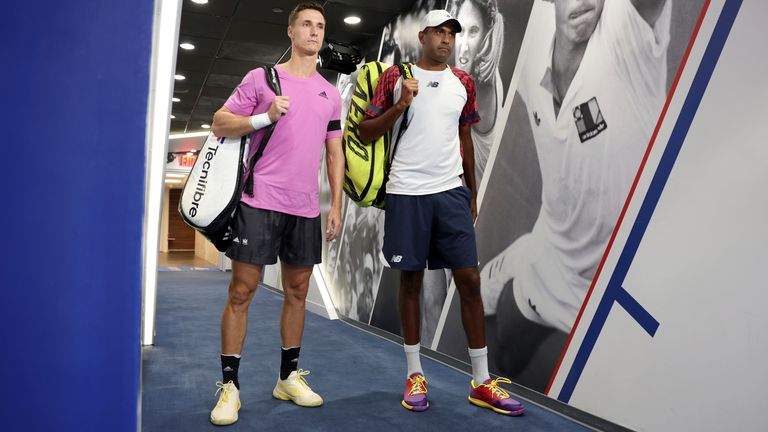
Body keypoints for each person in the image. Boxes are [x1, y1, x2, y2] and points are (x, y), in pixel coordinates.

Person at [480, 0, 671, 382]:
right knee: (496, 335)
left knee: (513, 351)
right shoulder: (535, 46)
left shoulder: (625, 32)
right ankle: (524, 256)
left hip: (606, 281)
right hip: (552, 244)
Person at [359, 9, 524, 416]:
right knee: (411, 281)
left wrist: (470, 189)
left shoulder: (463, 82)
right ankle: (415, 374)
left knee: (468, 278)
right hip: (407, 193)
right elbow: (366, 131)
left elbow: (465, 135)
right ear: (424, 35)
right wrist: (400, 106)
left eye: (452, 33)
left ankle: (482, 382)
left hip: (450, 193)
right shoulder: (394, 78)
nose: (448, 39)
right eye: (440, 32)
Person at [206, 2, 344, 425]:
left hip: (304, 208)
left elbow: (334, 150)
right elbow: (219, 122)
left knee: (298, 292)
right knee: (242, 292)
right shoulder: (261, 79)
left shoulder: (330, 93)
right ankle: (229, 387)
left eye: (320, 26)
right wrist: (264, 115)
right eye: (306, 24)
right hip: (258, 200)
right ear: (290, 32)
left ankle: (287, 378)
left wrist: (336, 203)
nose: (314, 31)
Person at [448, 0, 505, 183]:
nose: (463, 48)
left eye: (473, 32)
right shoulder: (492, 75)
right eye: (460, 31)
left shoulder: (476, 86)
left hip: (472, 204)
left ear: (487, 35)